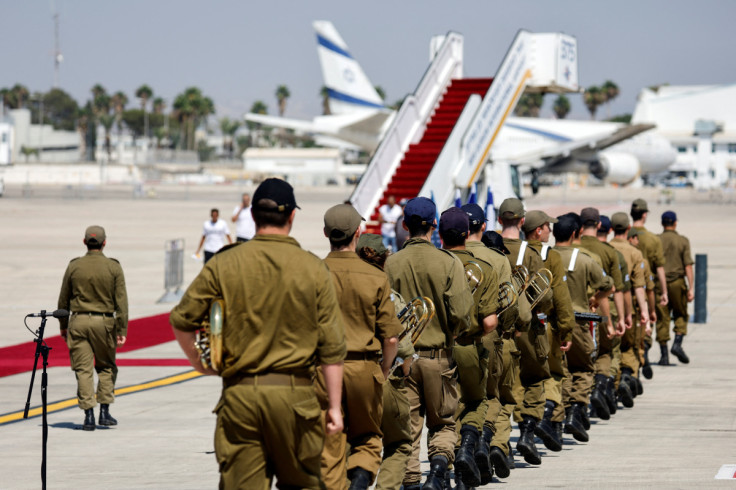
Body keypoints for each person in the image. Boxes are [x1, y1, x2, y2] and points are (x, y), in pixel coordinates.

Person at [170, 178, 346, 489]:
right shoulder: (314, 269)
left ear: (252, 215)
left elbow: (182, 319)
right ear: (292, 216)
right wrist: (333, 406)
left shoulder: (224, 263)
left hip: (241, 396)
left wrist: (199, 362)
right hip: (296, 399)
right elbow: (332, 349)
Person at [384, 197, 473, 490]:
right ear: (434, 225)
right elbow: (462, 314)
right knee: (444, 423)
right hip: (439, 357)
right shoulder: (448, 262)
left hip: (402, 360)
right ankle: (436, 472)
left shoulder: (390, 263)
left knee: (406, 430)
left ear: (405, 226)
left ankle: (410, 484)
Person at [318, 204, 402, 490]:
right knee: (367, 436)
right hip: (364, 367)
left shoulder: (312, 273)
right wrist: (385, 368)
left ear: (326, 234)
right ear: (358, 233)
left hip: (321, 368)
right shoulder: (376, 276)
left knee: (330, 441)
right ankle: (362, 477)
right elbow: (391, 337)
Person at [439, 206, 499, 488]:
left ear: (439, 234)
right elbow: (489, 323)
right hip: (471, 346)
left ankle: (443, 468)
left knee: (443, 414)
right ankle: (466, 452)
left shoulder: (435, 264)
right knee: (475, 402)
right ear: (469, 234)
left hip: (437, 349)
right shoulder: (484, 267)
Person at [497, 198, 553, 467]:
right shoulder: (530, 254)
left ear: (499, 221)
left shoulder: (488, 249)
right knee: (535, 379)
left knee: (499, 388)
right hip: (527, 329)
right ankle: (528, 434)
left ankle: (500, 442)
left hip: (495, 328)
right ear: (521, 222)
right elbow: (544, 296)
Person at [355, 234, 414, 490]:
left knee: (354, 442)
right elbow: (402, 346)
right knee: (399, 443)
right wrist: (394, 370)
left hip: (350, 376)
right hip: (384, 376)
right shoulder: (391, 295)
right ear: (384, 260)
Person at [57, 225, 128, 431]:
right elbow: (121, 301)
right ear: (105, 243)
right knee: (106, 366)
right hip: (104, 323)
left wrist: (63, 325)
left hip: (78, 322)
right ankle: (104, 411)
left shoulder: (74, 266)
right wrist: (121, 329)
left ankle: (88, 415)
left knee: (83, 369)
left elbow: (64, 298)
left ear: (84, 242)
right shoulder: (113, 267)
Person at [552, 215, 612, 443]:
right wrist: (595, 300)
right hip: (577, 321)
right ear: (576, 234)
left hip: (550, 322)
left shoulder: (544, 256)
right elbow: (608, 285)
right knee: (585, 367)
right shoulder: (584, 259)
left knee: (560, 371)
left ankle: (558, 417)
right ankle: (576, 411)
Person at [523, 210, 576, 454]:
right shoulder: (549, 255)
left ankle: (521, 434)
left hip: (514, 328)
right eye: (547, 227)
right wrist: (566, 329)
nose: (550, 231)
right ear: (538, 231)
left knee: (520, 380)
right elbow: (562, 297)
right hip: (544, 325)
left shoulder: (517, 252)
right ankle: (545, 418)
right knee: (553, 373)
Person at [609, 213, 650, 400]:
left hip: (606, 305)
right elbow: (639, 286)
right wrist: (644, 312)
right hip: (629, 306)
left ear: (611, 229)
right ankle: (627, 376)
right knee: (630, 348)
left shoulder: (606, 248)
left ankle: (613, 385)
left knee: (611, 350)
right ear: (627, 230)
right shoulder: (635, 253)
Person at [630, 198, 669, 365]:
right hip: (648, 287)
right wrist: (665, 291)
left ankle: (634, 353)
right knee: (654, 318)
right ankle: (646, 346)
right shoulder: (653, 239)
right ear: (644, 215)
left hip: (628, 287)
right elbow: (660, 267)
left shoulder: (625, 236)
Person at [658, 210, 695, 364]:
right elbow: (688, 266)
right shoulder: (682, 241)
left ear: (662, 223)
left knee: (662, 318)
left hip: (660, 284)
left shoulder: (656, 240)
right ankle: (677, 343)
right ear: (675, 223)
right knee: (681, 314)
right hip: (678, 283)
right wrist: (691, 287)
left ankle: (664, 355)